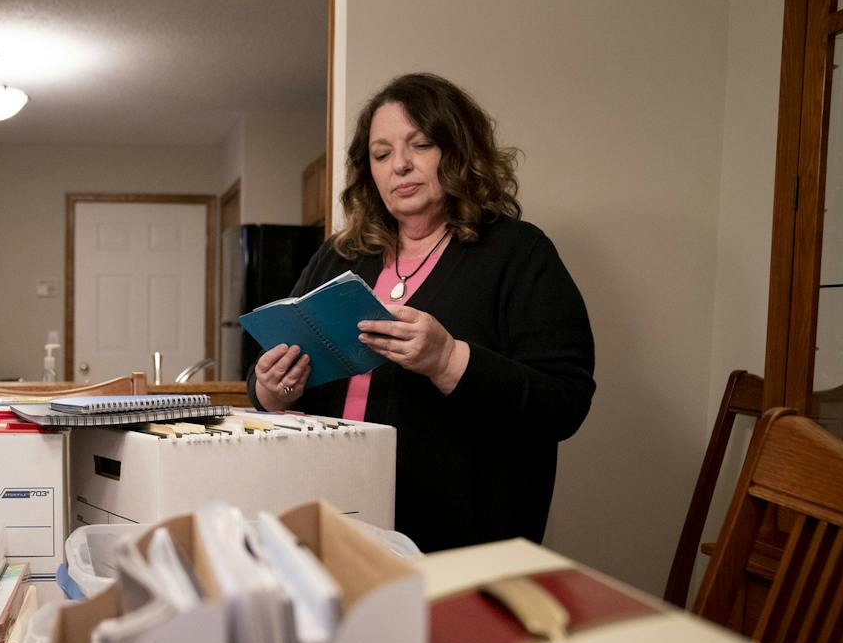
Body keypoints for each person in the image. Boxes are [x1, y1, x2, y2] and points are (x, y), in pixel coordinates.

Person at [247, 73, 595, 553]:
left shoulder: (517, 253)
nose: (401, 166)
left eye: (422, 145)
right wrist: (270, 389)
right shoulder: (342, 254)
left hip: (462, 537)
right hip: (335, 516)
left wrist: (449, 360)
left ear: (459, 151)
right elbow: (278, 362)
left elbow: (565, 402)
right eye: (382, 154)